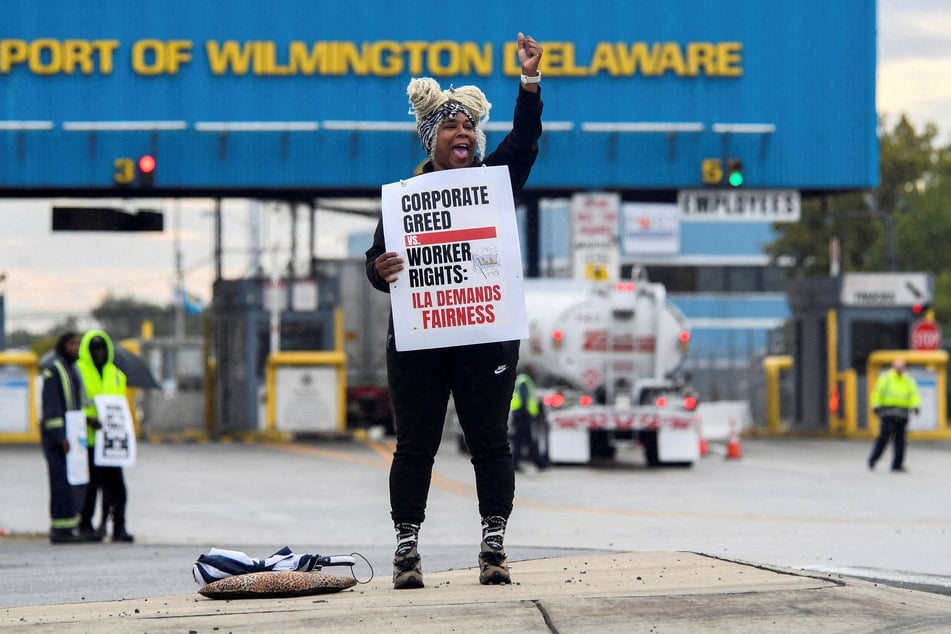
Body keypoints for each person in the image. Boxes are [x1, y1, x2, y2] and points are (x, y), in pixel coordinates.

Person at [365, 32, 543, 589]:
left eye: (469, 125)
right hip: (419, 340)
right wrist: (381, 269)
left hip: (485, 336)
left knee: (491, 441)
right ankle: (407, 549)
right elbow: (375, 260)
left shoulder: (494, 184)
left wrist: (529, 80)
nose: (463, 132)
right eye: (450, 125)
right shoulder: (404, 198)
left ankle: (494, 546)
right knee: (414, 445)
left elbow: (528, 139)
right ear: (430, 139)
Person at [77, 329, 135, 542]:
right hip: (89, 440)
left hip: (111, 443)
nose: (98, 353)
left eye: (102, 348)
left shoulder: (117, 375)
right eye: (94, 349)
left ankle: (118, 526)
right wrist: (86, 419)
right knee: (90, 489)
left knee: (117, 489)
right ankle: (86, 526)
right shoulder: (78, 371)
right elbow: (74, 405)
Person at [40, 332, 92, 543]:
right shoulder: (54, 371)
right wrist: (60, 436)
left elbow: (76, 404)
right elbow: (52, 408)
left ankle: (70, 527)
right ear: (63, 346)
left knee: (73, 482)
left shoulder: (73, 369)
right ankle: (59, 530)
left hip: (72, 435)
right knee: (60, 482)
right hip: (58, 438)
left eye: (79, 344)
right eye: (73, 343)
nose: (77, 347)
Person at [868, 358, 920, 472]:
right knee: (884, 438)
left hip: (902, 414)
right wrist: (876, 406)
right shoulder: (886, 379)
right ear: (893, 367)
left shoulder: (908, 380)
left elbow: (913, 395)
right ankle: (873, 459)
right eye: (898, 367)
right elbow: (878, 393)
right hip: (888, 414)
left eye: (902, 367)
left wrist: (916, 406)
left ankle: (897, 464)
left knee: (900, 441)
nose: (900, 369)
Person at [510, 369, 547, 472]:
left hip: (519, 415)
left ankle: (536, 463)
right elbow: (524, 398)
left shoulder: (520, 379)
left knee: (521, 441)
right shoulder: (524, 380)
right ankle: (539, 463)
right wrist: (527, 412)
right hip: (523, 415)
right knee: (525, 441)